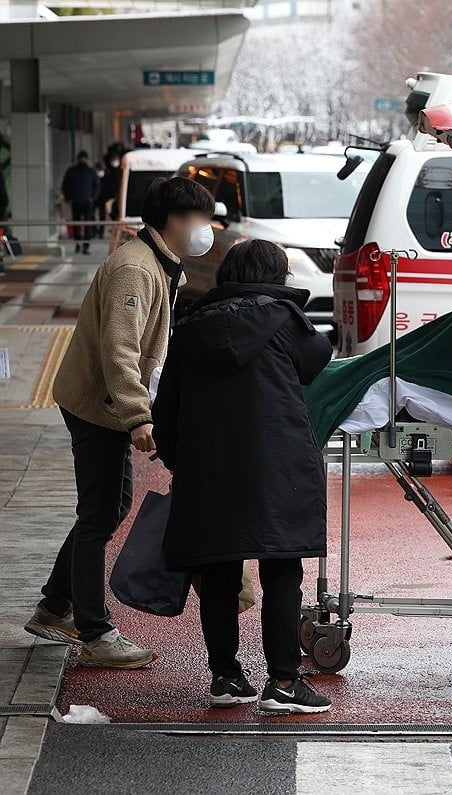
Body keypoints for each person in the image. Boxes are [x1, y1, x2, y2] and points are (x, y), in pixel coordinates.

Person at [24, 177, 216, 667]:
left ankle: (54, 604)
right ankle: (95, 630)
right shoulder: (135, 268)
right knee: (99, 514)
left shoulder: (159, 263)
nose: (206, 229)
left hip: (104, 400)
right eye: (200, 218)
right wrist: (136, 416)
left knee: (108, 506)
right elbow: (119, 349)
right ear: (173, 221)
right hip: (97, 403)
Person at [152, 240, 333, 714]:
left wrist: (179, 463)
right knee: (281, 568)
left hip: (207, 467)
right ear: (276, 277)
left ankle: (226, 677)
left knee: (217, 572)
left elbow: (165, 409)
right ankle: (284, 682)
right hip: (278, 467)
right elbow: (318, 358)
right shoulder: (285, 321)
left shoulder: (189, 328)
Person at [62, 150, 101, 254]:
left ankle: (84, 245)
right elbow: (65, 185)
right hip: (81, 201)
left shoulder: (89, 171)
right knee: (79, 224)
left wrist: (93, 197)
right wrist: (69, 197)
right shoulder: (79, 171)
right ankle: (80, 244)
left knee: (83, 224)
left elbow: (97, 186)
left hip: (85, 202)